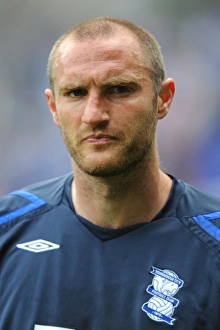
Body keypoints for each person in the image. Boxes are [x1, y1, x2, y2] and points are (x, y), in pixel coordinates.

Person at [0, 16, 220, 330]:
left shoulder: (213, 245)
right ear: (53, 108)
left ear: (163, 98)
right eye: (75, 93)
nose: (94, 115)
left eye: (118, 89)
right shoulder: (7, 232)